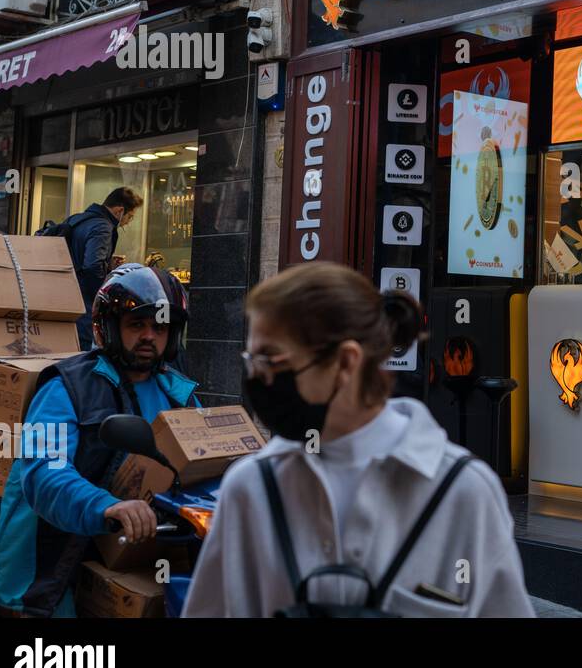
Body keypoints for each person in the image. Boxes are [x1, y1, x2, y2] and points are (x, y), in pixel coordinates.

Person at [182, 262, 533, 617]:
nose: (257, 377)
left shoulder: (462, 491)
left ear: (346, 362)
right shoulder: (252, 486)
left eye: (271, 360)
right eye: (252, 360)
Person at [0, 264, 196, 617]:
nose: (150, 335)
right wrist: (107, 506)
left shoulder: (179, 393)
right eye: (137, 325)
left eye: (160, 327)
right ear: (109, 328)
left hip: (135, 552)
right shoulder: (64, 387)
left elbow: (203, 458)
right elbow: (44, 471)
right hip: (52, 566)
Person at [69, 187, 144, 350]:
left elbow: (79, 256)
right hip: (86, 303)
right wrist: (103, 295)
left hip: (68, 297)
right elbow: (92, 266)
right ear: (120, 210)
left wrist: (109, 264)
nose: (127, 222)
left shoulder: (78, 219)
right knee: (85, 352)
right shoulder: (103, 227)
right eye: (129, 217)